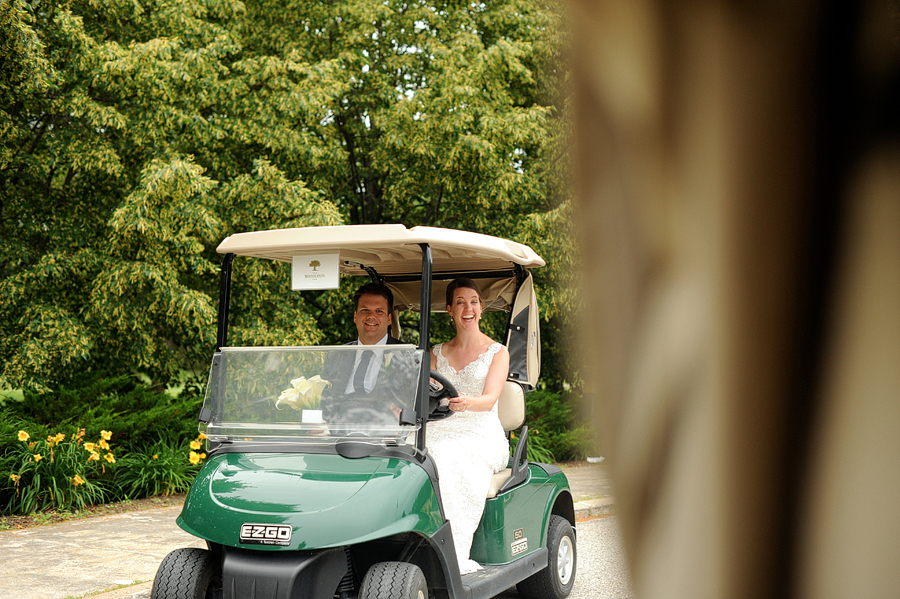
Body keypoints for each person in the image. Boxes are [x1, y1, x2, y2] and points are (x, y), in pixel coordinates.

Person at [426, 277, 511, 575]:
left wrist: (465, 403)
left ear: (481, 308)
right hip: (443, 424)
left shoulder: (497, 352)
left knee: (448, 455)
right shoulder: (437, 352)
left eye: (473, 301)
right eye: (460, 302)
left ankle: (452, 551)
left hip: (480, 429)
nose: (468, 308)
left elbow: (489, 400)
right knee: (412, 448)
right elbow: (430, 392)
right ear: (449, 310)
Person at [320, 282, 405, 423]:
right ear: (355, 316)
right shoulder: (335, 355)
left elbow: (411, 402)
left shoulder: (407, 355)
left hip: (384, 432)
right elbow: (323, 401)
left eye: (379, 311)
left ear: (389, 319)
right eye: (365, 310)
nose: (371, 316)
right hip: (338, 431)